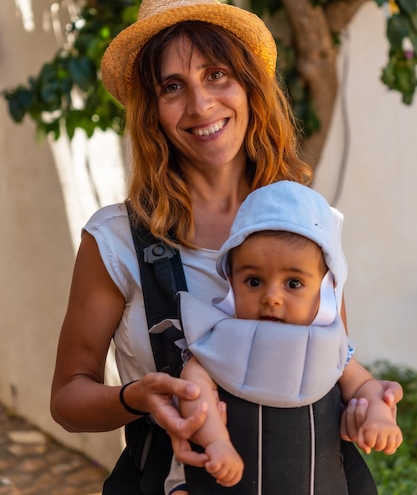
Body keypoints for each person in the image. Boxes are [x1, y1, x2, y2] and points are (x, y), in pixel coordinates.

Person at [50, 0, 402, 495]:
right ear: (152, 112)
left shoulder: (313, 222)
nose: (199, 104)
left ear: (249, 86)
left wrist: (365, 405)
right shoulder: (116, 240)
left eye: (216, 75)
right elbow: (67, 399)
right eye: (172, 87)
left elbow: (333, 359)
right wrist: (136, 396)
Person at [164, 181, 402, 494]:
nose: (271, 297)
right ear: (231, 282)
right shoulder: (219, 342)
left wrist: (378, 416)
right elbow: (193, 391)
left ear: (325, 289)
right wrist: (216, 441)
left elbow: (365, 387)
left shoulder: (331, 347)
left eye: (293, 283)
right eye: (254, 281)